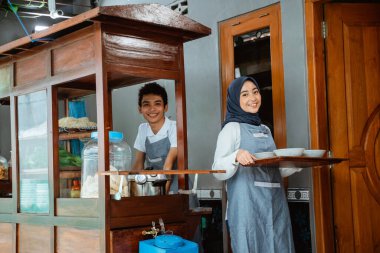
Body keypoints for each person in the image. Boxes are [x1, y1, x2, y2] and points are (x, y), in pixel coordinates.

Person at [212, 76, 299, 252]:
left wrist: (297, 163)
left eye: (255, 92)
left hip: (275, 205)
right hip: (247, 207)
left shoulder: (265, 129)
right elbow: (217, 169)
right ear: (235, 100)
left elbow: (270, 169)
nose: (252, 98)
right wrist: (235, 156)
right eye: (244, 94)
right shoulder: (231, 129)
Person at [132, 82, 178, 193]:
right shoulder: (142, 129)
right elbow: (138, 165)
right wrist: (132, 193)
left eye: (157, 104)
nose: (152, 109)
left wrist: (161, 196)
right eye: (146, 104)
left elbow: (168, 165)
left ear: (165, 107)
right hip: (153, 189)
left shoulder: (174, 127)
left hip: (176, 188)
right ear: (140, 109)